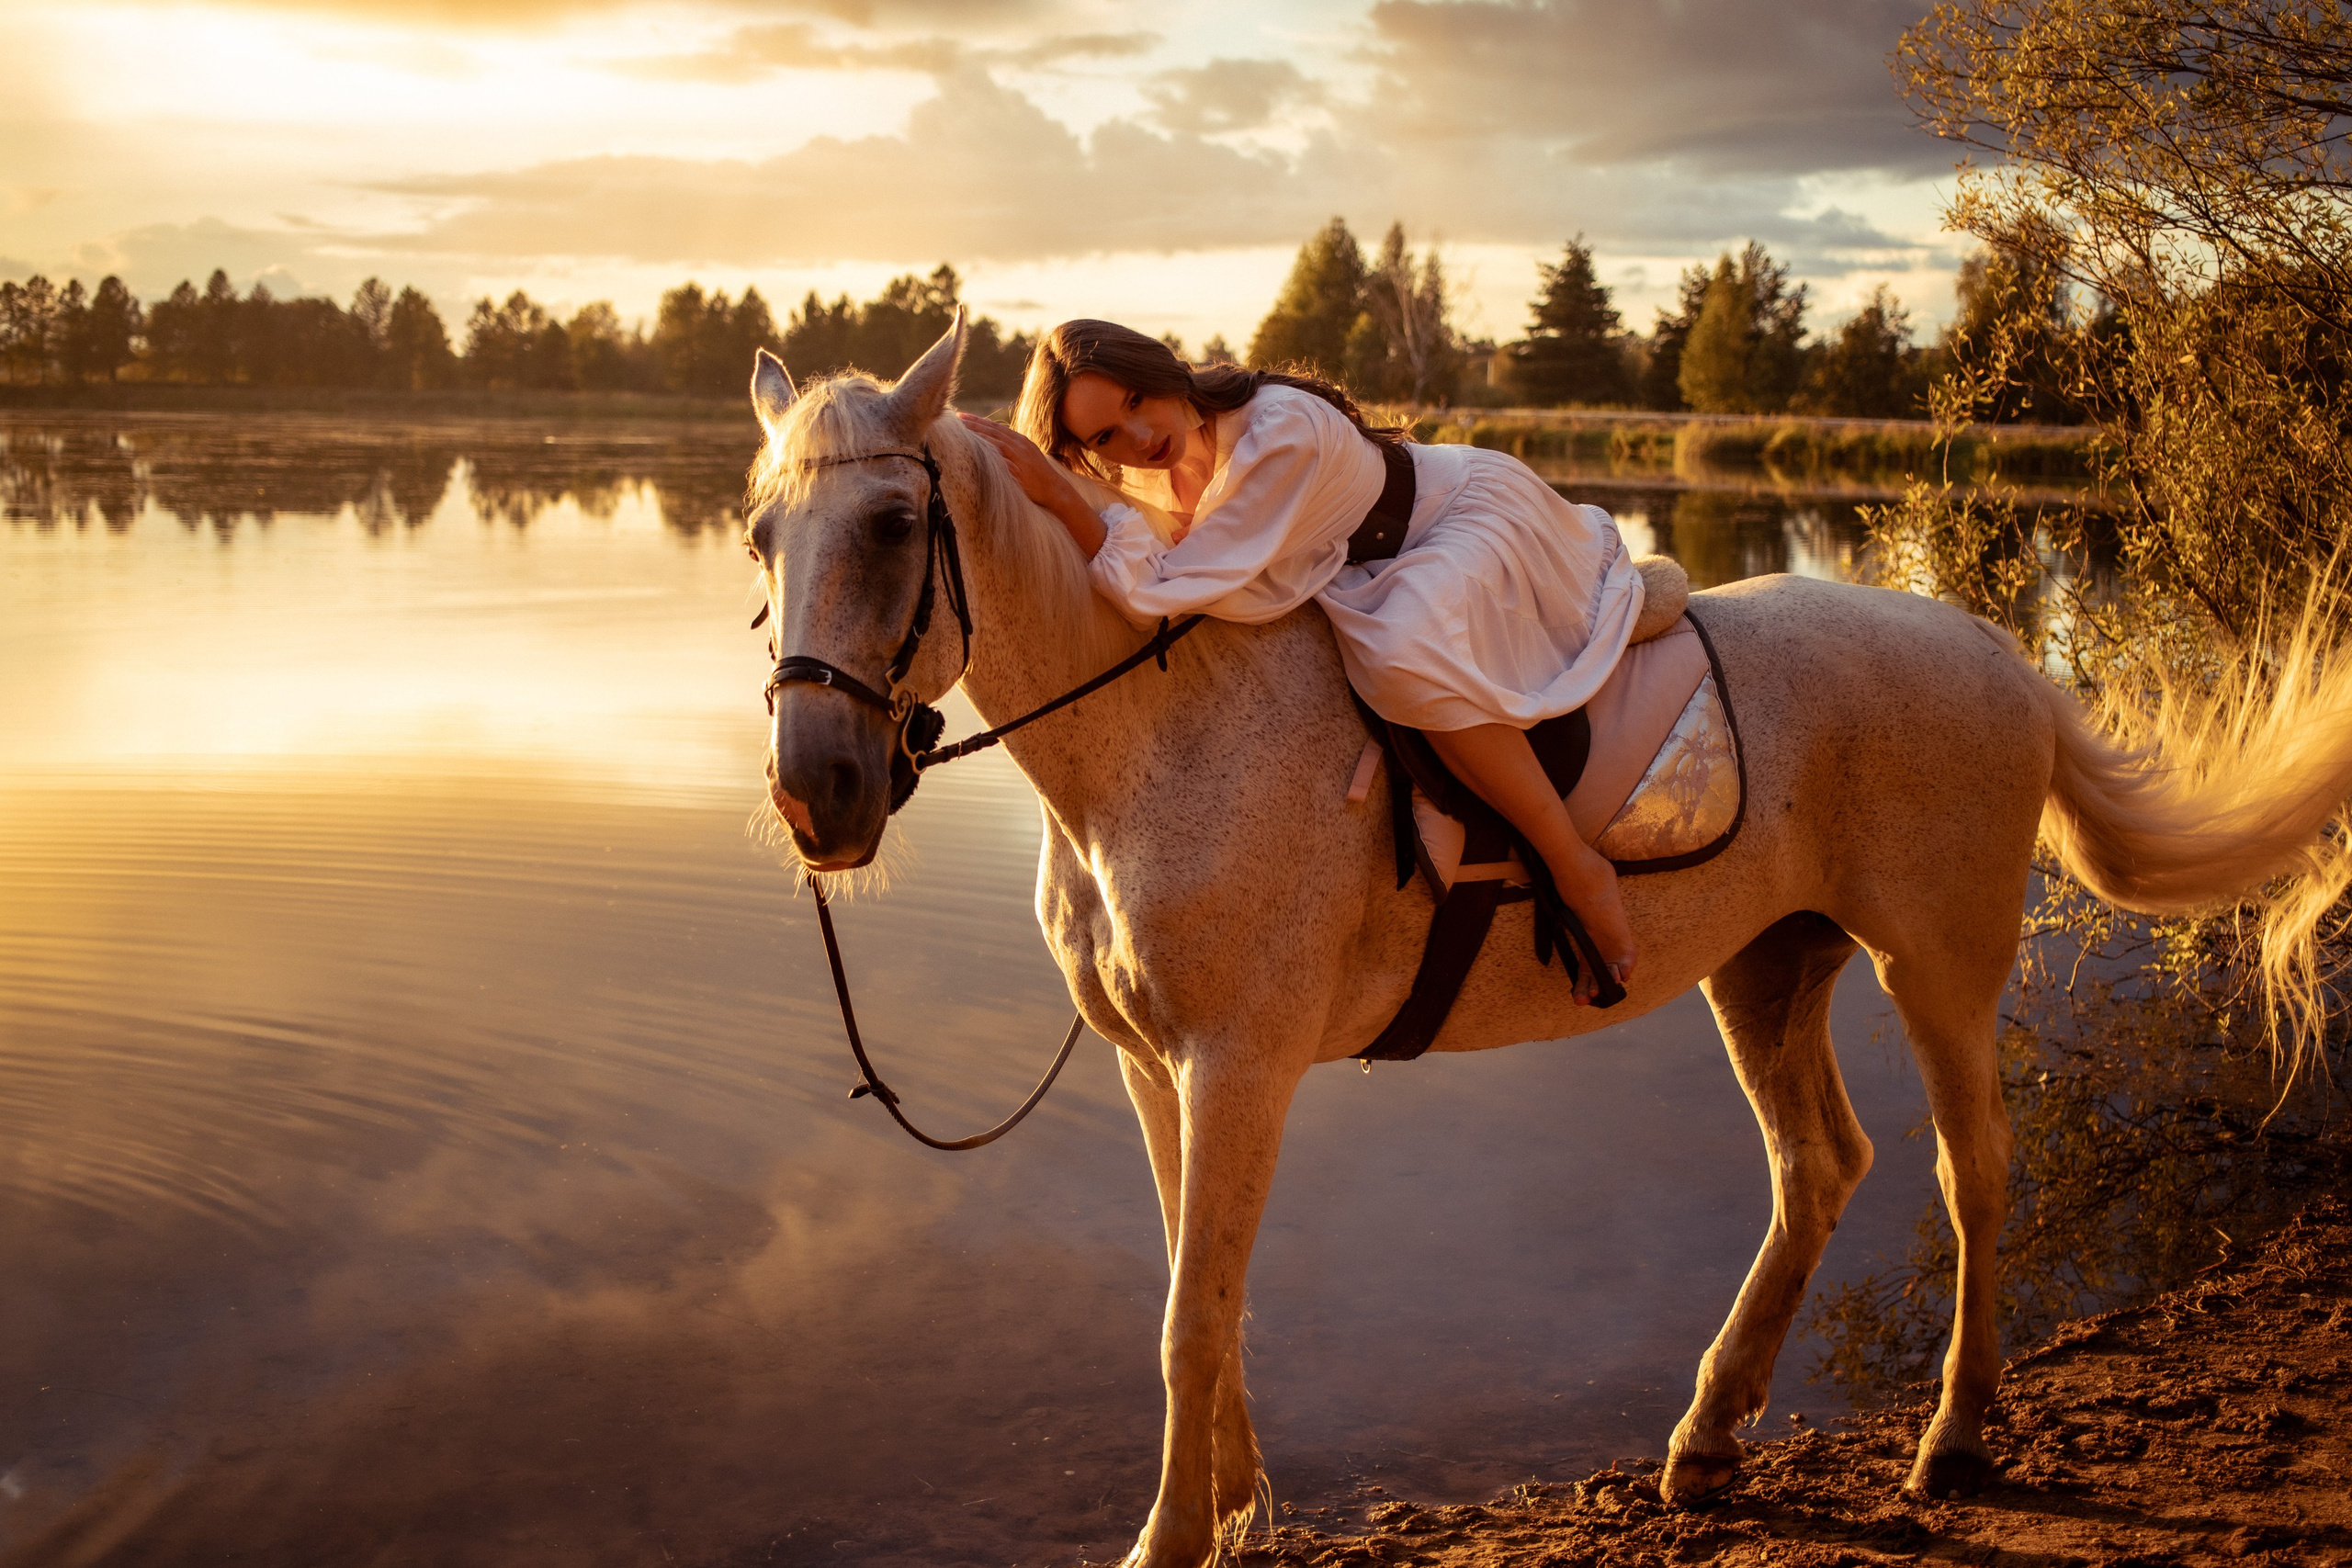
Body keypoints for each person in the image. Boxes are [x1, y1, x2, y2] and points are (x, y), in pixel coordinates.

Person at [959, 320, 1642, 997]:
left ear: (1159, 370)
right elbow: (1160, 569)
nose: (1138, 438)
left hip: (1453, 516)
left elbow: (1162, 592)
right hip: (1360, 560)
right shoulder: (1159, 474)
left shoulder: (1277, 433)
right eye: (1105, 437)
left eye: (1136, 400)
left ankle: (1575, 866)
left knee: (1401, 656)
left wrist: (1058, 496)